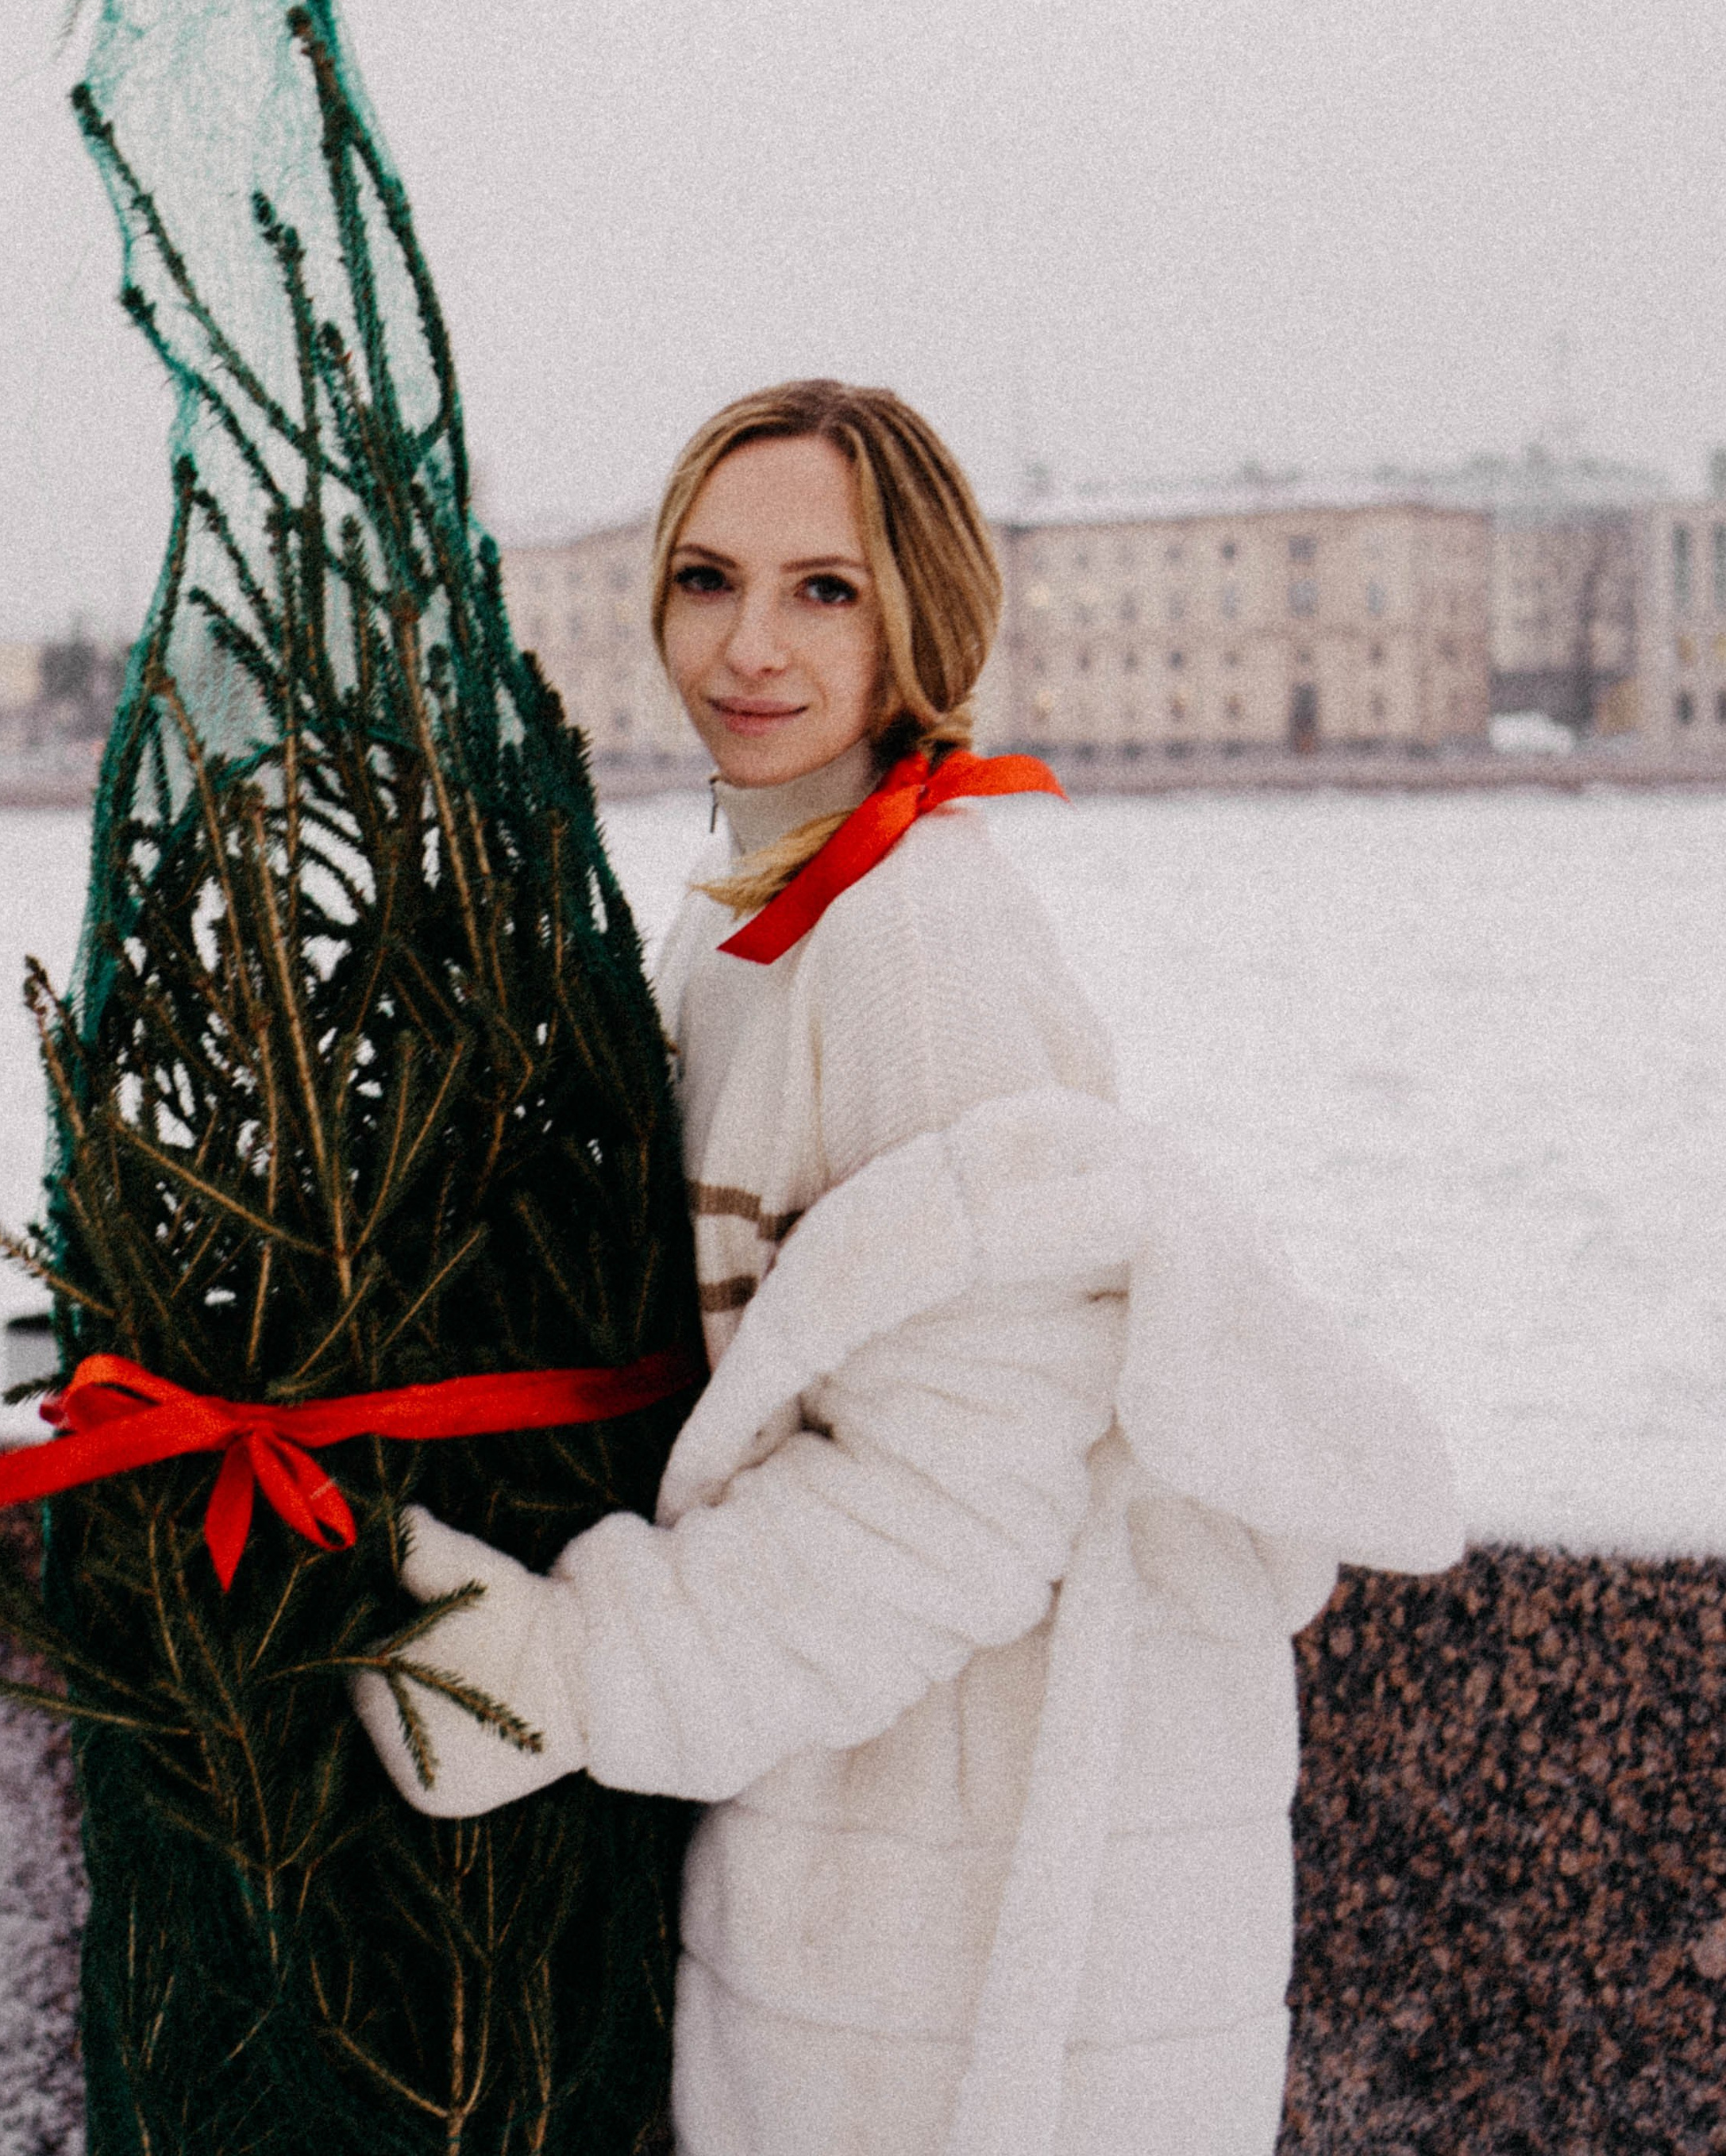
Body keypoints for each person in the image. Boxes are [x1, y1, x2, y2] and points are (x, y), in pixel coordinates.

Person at [352, 378, 1460, 2156]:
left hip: (971, 1889)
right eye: (706, 579)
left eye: (825, 590)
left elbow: (953, 1496)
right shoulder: (753, 901)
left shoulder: (905, 940)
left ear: (921, 617)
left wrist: (565, 1672)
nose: (748, 647)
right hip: (893, 1817)